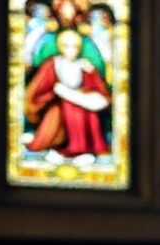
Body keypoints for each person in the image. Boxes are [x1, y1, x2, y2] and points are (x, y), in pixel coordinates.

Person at [24, 29, 111, 166]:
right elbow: (38, 89)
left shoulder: (85, 65)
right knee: (61, 112)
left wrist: (91, 75)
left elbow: (99, 90)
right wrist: (55, 93)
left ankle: (83, 151)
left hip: (82, 104)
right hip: (57, 106)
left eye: (75, 46)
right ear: (60, 47)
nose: (71, 50)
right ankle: (59, 149)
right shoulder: (52, 63)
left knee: (84, 112)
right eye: (67, 45)